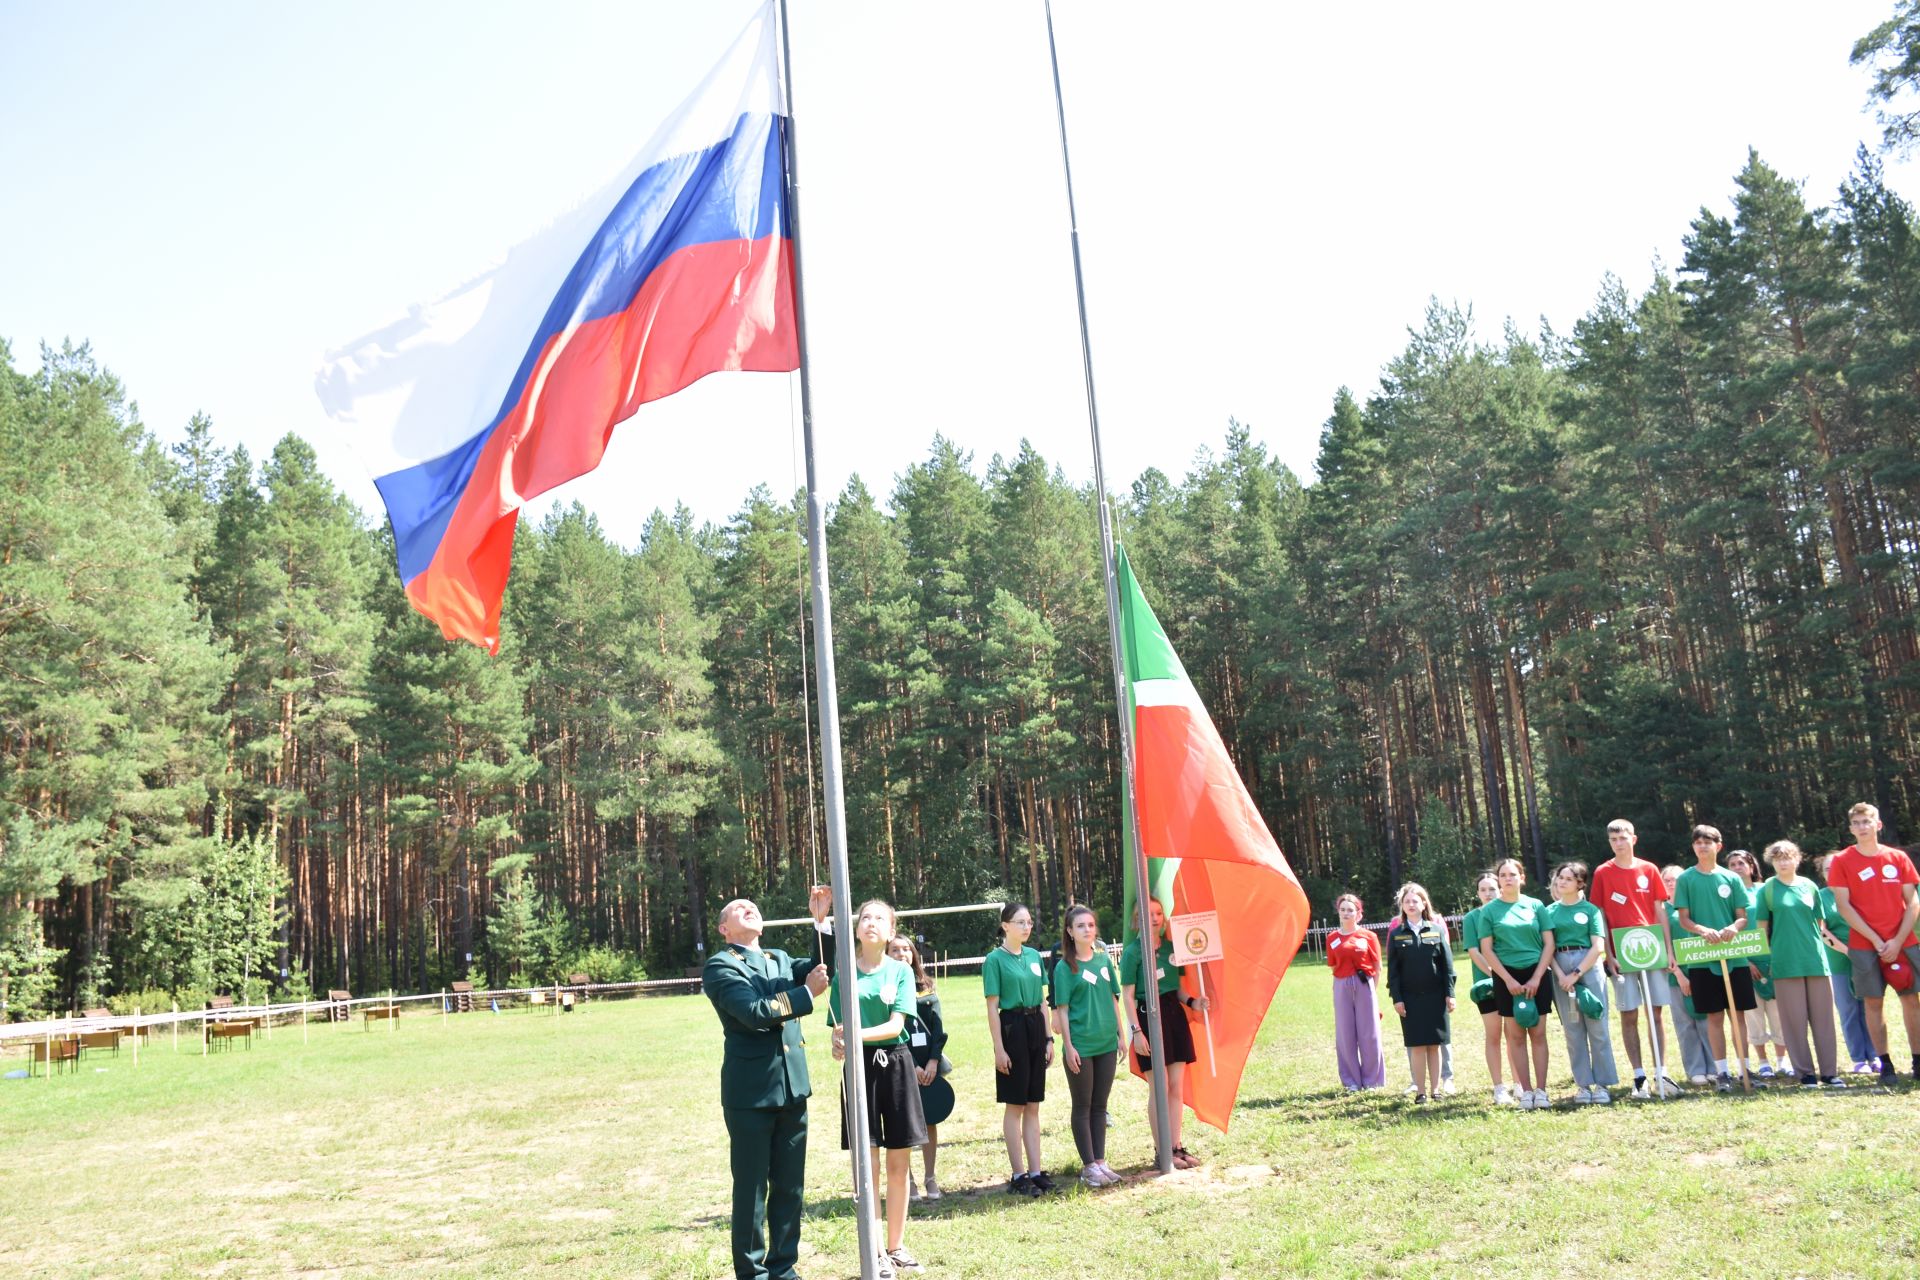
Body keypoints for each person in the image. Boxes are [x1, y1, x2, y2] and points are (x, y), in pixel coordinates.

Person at [704, 890, 833, 1280]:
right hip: (752, 1094)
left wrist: (820, 922)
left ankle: (783, 1268)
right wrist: (807, 992)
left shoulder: (777, 958)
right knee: (752, 1189)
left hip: (793, 1089)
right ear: (725, 929)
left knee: (791, 1187)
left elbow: (822, 966)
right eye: (738, 909)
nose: (749, 908)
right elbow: (754, 1013)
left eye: (753, 906)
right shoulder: (721, 966)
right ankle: (753, 1273)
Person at [825, 899, 927, 1276]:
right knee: (868, 1167)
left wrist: (851, 1037)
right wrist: (839, 1044)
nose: (871, 923)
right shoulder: (844, 974)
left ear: (890, 930)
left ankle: (896, 1246)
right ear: (856, 930)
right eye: (865, 917)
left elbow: (896, 1026)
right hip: (859, 1072)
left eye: (879, 918)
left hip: (895, 1065)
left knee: (898, 1163)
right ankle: (874, 1252)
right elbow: (836, 1031)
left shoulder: (900, 971)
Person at [1827, 802, 1920, 1088]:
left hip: (1904, 942)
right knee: (1873, 1003)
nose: (1862, 827)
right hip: (1865, 944)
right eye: (1857, 823)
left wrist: (1896, 939)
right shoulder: (1843, 861)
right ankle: (1886, 1064)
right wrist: (1878, 940)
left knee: (1911, 1001)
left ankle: (1918, 1061)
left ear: (1878, 825)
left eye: (1867, 821)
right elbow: (1844, 907)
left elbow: (1913, 901)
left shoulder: (1897, 857)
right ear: (1851, 828)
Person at [1590, 819, 1683, 1098]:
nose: (1619, 843)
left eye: (1623, 837)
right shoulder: (1603, 872)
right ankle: (1639, 1076)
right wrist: (1609, 953)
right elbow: (1601, 916)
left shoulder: (1649, 869)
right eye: (1614, 839)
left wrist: (1668, 950)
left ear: (1634, 839)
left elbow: (1660, 911)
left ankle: (1661, 1072)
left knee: (1656, 1013)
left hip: (1652, 949)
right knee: (1629, 1014)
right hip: (1621, 952)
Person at [1121, 896, 1209, 1168]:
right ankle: (1161, 1151)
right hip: (1149, 1018)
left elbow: (1177, 988)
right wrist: (1136, 1031)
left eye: (1159, 913)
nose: (1156, 918)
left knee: (1176, 1087)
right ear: (1137, 920)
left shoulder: (1173, 947)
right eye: (1149, 914)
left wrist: (1194, 1002)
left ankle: (1176, 1146)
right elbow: (1127, 995)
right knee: (1158, 1088)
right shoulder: (1133, 953)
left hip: (1174, 1016)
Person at [1751, 841, 1842, 1088]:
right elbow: (1761, 930)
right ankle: (1805, 1074)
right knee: (1794, 1022)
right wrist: (1772, 958)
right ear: (1772, 861)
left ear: (1797, 859)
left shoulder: (1810, 886)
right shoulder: (1768, 889)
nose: (1783, 862)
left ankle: (1830, 1073)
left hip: (1815, 961)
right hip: (1785, 963)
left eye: (1788, 857)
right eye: (1778, 858)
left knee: (1824, 1020)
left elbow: (1820, 925)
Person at [1673, 825, 1757, 1092]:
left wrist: (1734, 927)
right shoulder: (1686, 879)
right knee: (1713, 1017)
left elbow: (1742, 916)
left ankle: (1745, 1067)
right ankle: (1722, 1072)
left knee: (1738, 1015)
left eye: (1708, 842)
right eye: (1697, 842)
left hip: (1734, 956)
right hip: (1702, 958)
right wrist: (1701, 929)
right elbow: (1683, 919)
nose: (1702, 846)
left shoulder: (1731, 879)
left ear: (1718, 846)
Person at [981, 902, 1054, 1196]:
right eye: (1020, 922)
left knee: (1034, 1103)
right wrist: (999, 1049)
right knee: (1016, 1104)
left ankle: (1036, 1171)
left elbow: (1044, 1002)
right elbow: (992, 1007)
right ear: (1005, 926)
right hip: (1012, 1027)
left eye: (1029, 922)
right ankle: (1018, 1174)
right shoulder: (994, 960)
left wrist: (1049, 1039)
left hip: (1036, 1025)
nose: (1027, 927)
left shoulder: (1035, 956)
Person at [1052, 904, 1128, 1187]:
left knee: (1100, 1105)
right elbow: (1062, 1009)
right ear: (1070, 932)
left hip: (1106, 1043)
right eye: (1081, 926)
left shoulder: (1103, 961)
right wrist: (1068, 1047)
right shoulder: (1064, 967)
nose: (1087, 930)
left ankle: (1100, 1162)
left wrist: (1121, 1036)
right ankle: (1088, 1167)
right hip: (1081, 1047)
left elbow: (1113, 999)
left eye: (1091, 925)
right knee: (1083, 1106)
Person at [1475, 858, 1554, 1109]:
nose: (1508, 878)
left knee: (1539, 1034)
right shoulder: (1489, 911)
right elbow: (1486, 949)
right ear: (1499, 879)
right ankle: (1527, 1091)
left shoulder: (1536, 905)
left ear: (1522, 877)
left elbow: (1549, 944)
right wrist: (1507, 979)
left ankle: (1541, 1091)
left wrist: (1536, 978)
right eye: (1503, 875)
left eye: (1512, 874)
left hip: (1537, 973)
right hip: (1505, 976)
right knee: (1516, 1036)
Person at [1542, 861, 1619, 1104]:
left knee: (1597, 1025)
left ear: (1580, 883)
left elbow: (1598, 946)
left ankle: (1603, 1084)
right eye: (1559, 877)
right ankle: (1583, 1085)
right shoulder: (1549, 911)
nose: (1561, 881)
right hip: (1560, 968)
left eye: (1567, 878)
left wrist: (1575, 974)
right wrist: (1560, 974)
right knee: (1573, 1029)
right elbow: (1548, 947)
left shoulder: (1590, 910)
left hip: (1587, 966)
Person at [887, 934, 949, 1199]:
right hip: (899, 1066)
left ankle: (930, 1178)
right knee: (903, 1124)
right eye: (895, 950)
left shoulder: (927, 989)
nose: (901, 954)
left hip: (929, 1068)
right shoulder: (884, 989)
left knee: (929, 1121)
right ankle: (908, 1182)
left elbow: (938, 1030)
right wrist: (910, 1066)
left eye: (906, 949)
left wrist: (933, 1062)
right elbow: (890, 1032)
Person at [1385, 882, 1455, 1103]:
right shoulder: (1396, 934)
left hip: (1435, 997)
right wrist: (1397, 998)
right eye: (1407, 902)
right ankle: (1421, 1092)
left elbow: (1447, 966)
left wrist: (1450, 994)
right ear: (1402, 907)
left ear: (1424, 903)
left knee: (1434, 1046)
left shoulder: (1436, 929)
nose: (1411, 904)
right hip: (1410, 999)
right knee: (1416, 1046)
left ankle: (1436, 1090)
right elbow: (1393, 972)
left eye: (1415, 900)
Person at [1815, 850, 1881, 1073]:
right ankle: (1858, 1058)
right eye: (1827, 868)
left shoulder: (1858, 892)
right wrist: (1847, 951)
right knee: (1849, 1009)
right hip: (1838, 960)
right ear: (1822, 873)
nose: (1832, 871)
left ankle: (1875, 1055)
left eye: (1836, 867)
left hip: (1866, 956)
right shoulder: (1821, 896)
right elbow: (1821, 930)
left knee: (1870, 1006)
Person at [1726, 848, 1787, 1079]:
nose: (1737, 867)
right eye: (1732, 864)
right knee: (1753, 1015)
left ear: (1752, 866)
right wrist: (1745, 959)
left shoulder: (1765, 890)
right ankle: (1763, 1062)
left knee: (1779, 1013)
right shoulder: (1727, 895)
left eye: (1741, 863)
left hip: (1773, 958)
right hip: (1744, 961)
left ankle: (1782, 1060)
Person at [1458, 872, 1510, 1103]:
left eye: (1492, 889)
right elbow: (1474, 951)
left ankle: (1520, 1084)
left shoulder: (1509, 912)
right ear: (1477, 894)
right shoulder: (1472, 917)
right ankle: (1499, 1087)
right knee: (1494, 1035)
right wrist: (1497, 974)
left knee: (1515, 1035)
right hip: (1487, 985)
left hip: (1514, 982)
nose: (1488, 894)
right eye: (1483, 890)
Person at [1662, 865, 1715, 1084]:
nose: (1672, 883)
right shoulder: (1661, 910)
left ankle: (1714, 1067)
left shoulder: (1695, 907)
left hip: (1703, 970)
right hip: (1676, 974)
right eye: (1667, 880)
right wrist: (1680, 975)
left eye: (1676, 879)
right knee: (1685, 1024)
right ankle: (1695, 1070)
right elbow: (1663, 947)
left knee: (1708, 1021)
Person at [1327, 893, 1385, 1091]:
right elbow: (1333, 965)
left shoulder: (1369, 936)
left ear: (1358, 913)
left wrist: (1371, 990)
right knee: (1345, 1033)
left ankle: (1372, 1080)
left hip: (1364, 985)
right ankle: (1351, 1080)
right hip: (1341, 985)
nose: (1346, 913)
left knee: (1369, 1033)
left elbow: (1377, 967)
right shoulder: (1332, 938)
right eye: (1342, 909)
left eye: (1350, 910)